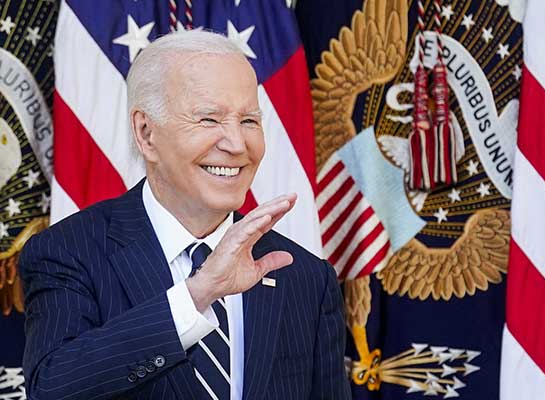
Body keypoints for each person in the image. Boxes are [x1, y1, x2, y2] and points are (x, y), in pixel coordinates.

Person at [20, 30, 351, 400]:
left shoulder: (303, 275)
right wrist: (196, 296)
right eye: (209, 120)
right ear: (146, 134)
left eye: (249, 121)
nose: (237, 144)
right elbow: (51, 389)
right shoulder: (66, 252)